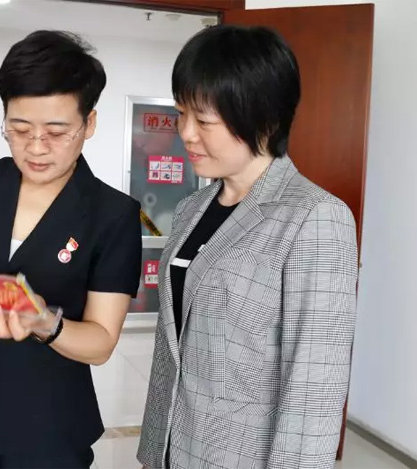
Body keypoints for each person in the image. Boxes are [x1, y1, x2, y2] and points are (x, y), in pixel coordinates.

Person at [137, 25, 359, 469]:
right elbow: (171, 350)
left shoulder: (314, 217)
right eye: (181, 114)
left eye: (204, 121)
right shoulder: (192, 209)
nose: (186, 133)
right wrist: (152, 453)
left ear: (264, 119)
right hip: (172, 451)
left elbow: (314, 390)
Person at [0, 30, 142, 468]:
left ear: (89, 124)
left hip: (47, 427)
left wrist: (44, 321)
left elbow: (101, 342)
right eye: (20, 129)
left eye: (57, 132)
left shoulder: (112, 214)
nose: (36, 147)